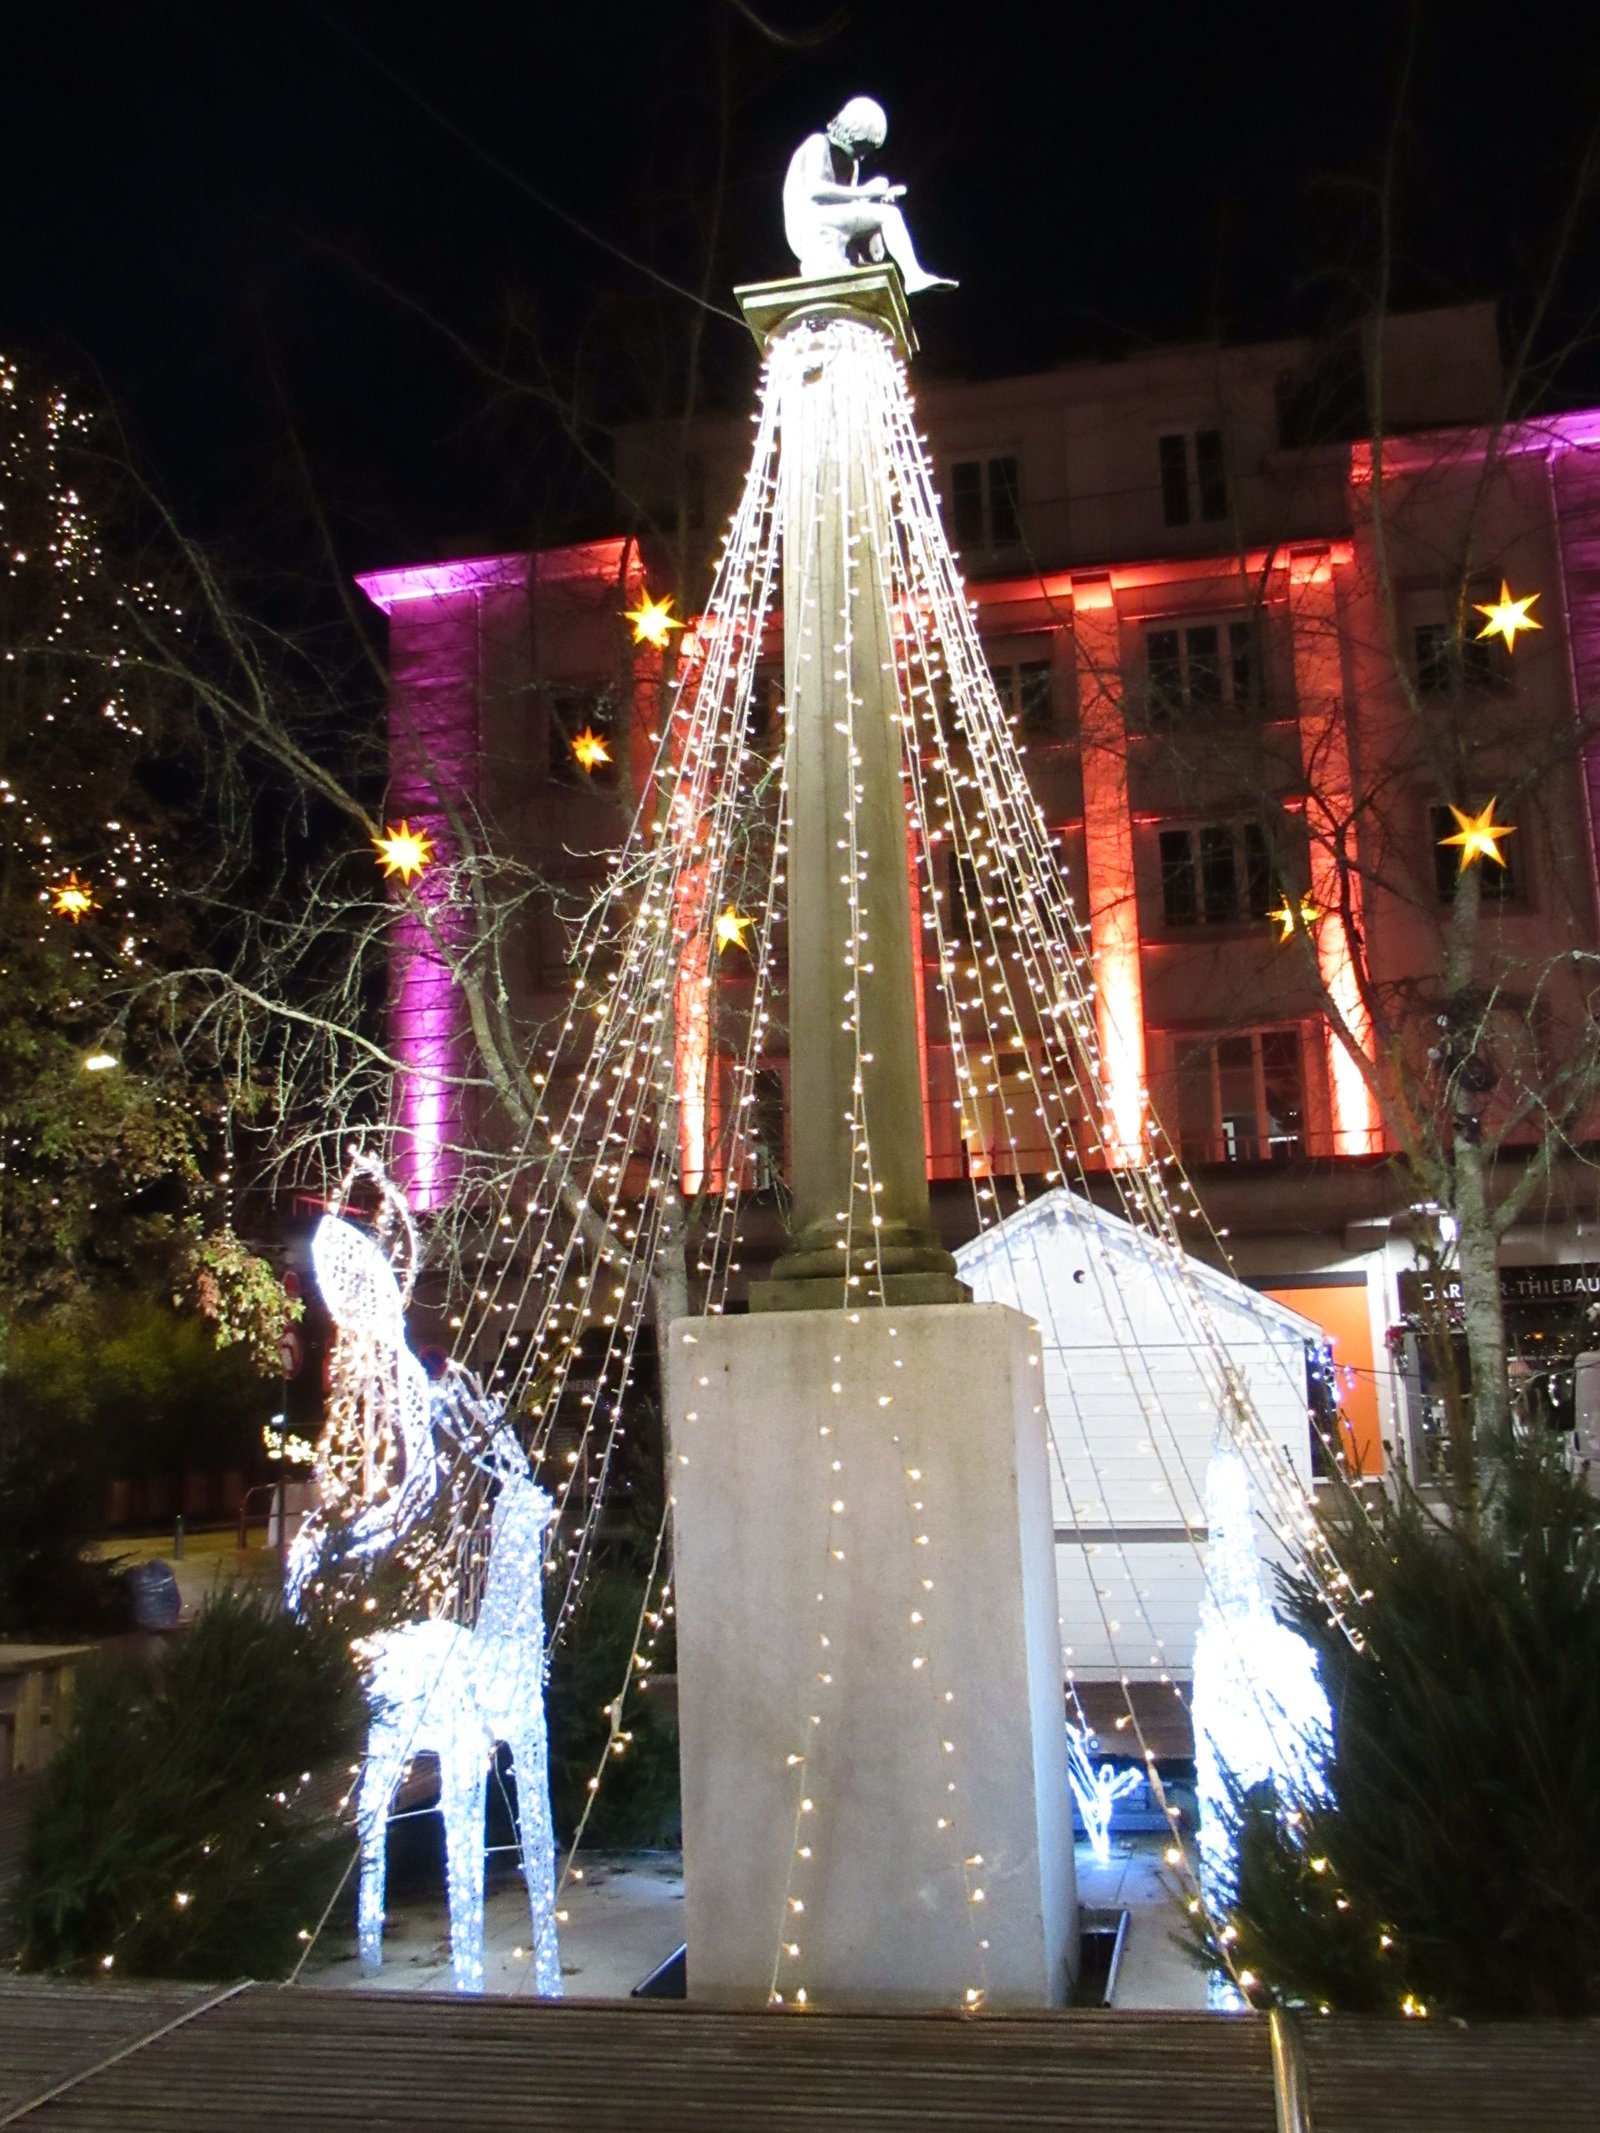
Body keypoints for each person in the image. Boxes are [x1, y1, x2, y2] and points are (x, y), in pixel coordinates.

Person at [782, 96, 956, 294]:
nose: (863, 156)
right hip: (807, 222)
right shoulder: (818, 144)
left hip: (826, 219)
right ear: (853, 133)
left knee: (883, 216)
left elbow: (848, 204)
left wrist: (875, 199)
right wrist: (866, 191)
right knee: (889, 215)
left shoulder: (851, 164)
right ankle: (913, 276)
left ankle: (903, 276)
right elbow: (815, 191)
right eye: (862, 147)